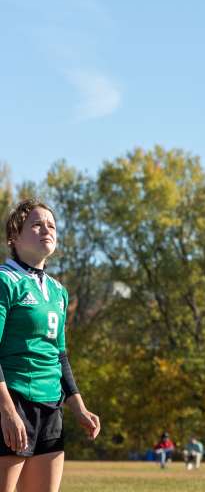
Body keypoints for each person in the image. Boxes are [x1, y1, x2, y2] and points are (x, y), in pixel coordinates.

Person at [0, 200, 101, 491]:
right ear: (14, 237)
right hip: (13, 402)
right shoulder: (6, 281)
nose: (47, 229)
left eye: (52, 225)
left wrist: (79, 408)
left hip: (51, 408)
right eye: (36, 224)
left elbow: (60, 357)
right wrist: (7, 411)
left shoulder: (58, 291)